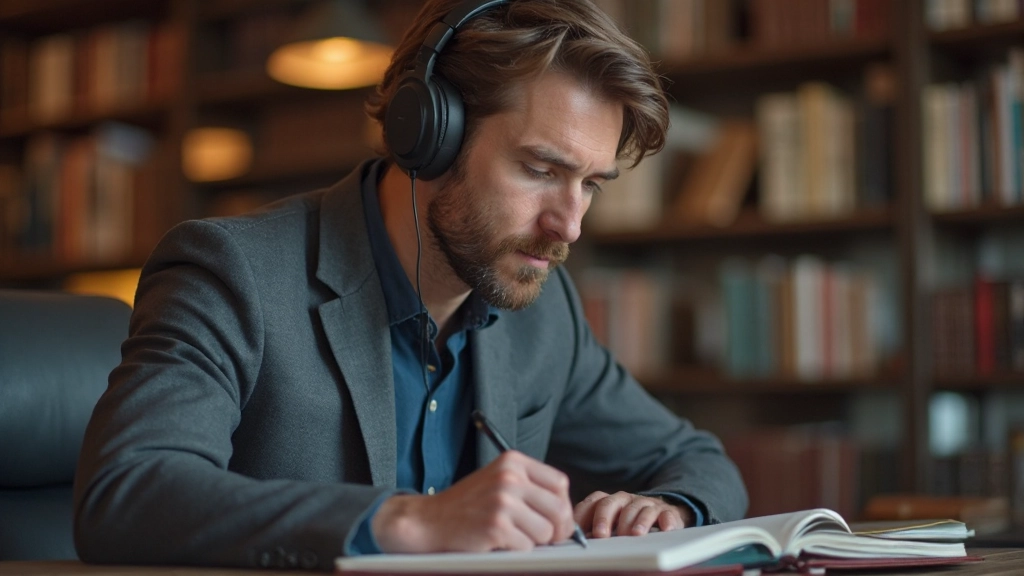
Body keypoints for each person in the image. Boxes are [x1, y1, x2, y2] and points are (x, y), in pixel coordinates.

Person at [73, 0, 748, 571]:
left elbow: (696, 459)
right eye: (541, 170)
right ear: (429, 135)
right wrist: (406, 524)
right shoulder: (232, 274)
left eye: (591, 185)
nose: (568, 225)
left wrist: (667, 510)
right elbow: (126, 493)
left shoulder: (544, 315)